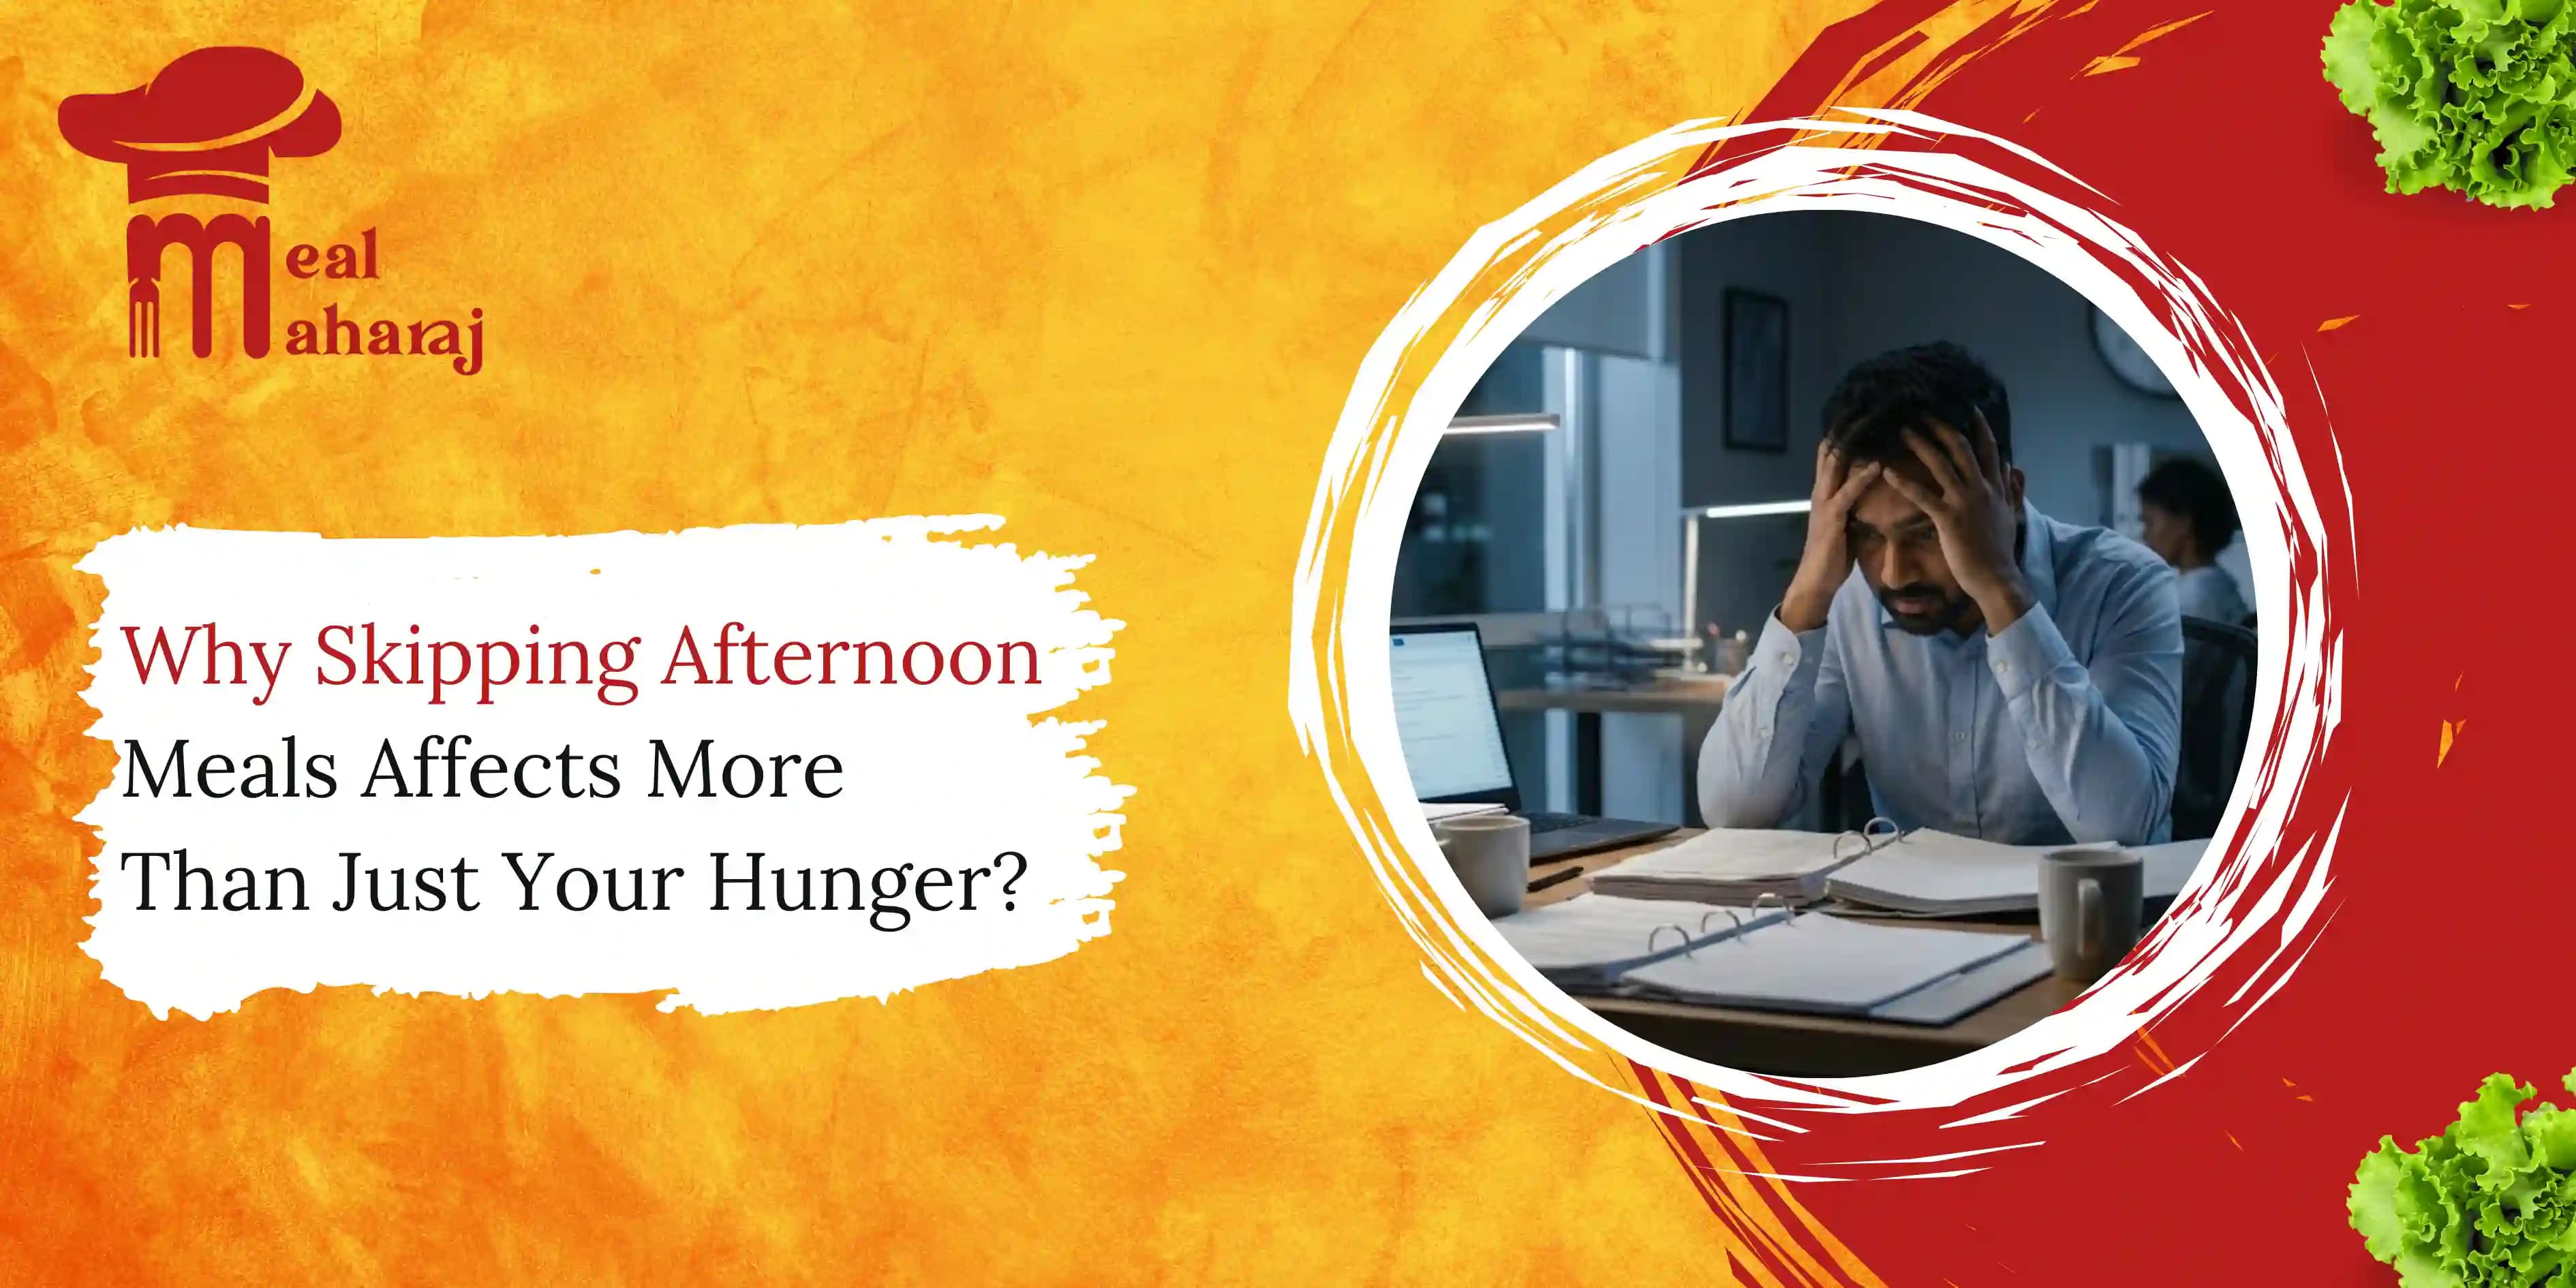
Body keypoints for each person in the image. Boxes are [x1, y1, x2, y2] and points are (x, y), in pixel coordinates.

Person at [1698, 343, 2182, 846]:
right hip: (1908, 918)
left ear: (2009, 496)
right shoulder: (1850, 599)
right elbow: (1734, 811)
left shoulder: (2124, 584)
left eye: (1928, 531)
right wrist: (1807, 593)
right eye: (1867, 533)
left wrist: (2001, 592)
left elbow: (2125, 831)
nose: (1895, 572)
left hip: (2089, 919)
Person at [2136, 457, 2249, 624]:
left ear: (2183, 523)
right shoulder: (2218, 584)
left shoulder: (2193, 598)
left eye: (2150, 523)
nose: (2145, 535)